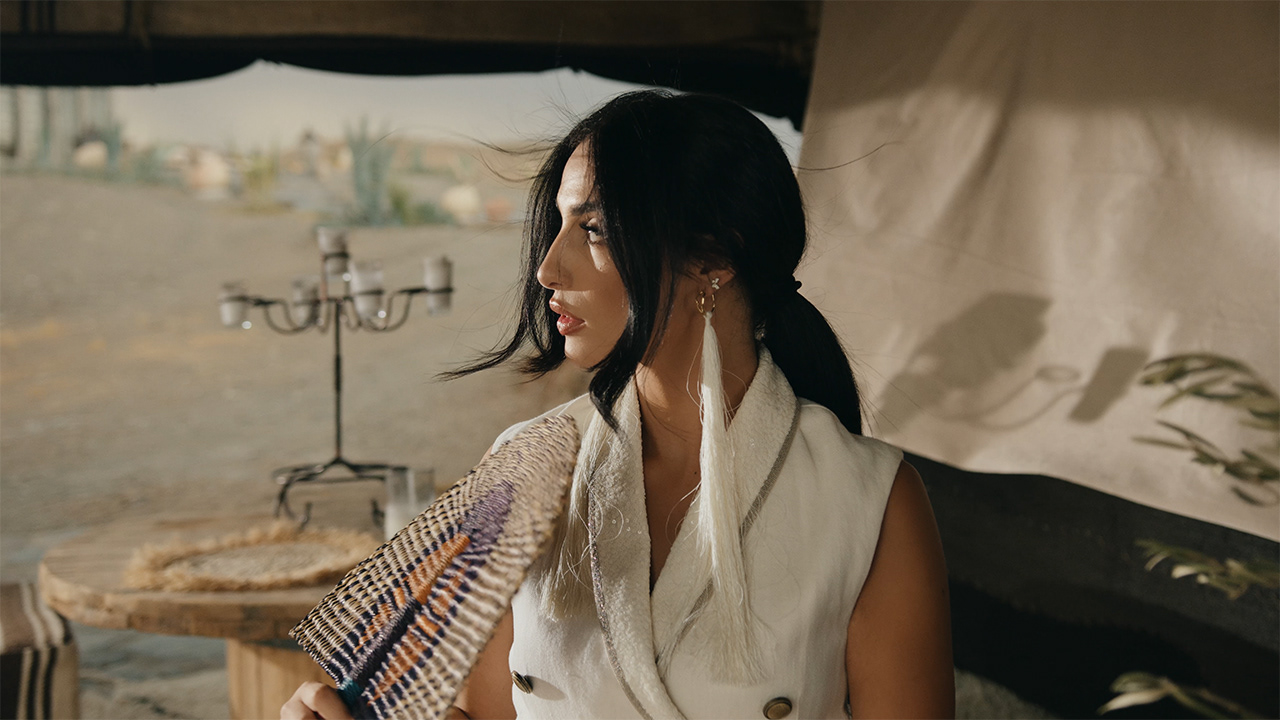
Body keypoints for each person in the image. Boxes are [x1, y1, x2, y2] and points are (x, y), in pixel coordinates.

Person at [283, 90, 953, 720]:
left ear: (712, 258)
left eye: (595, 228)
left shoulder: (868, 501)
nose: (548, 268)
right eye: (559, 224)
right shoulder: (524, 466)